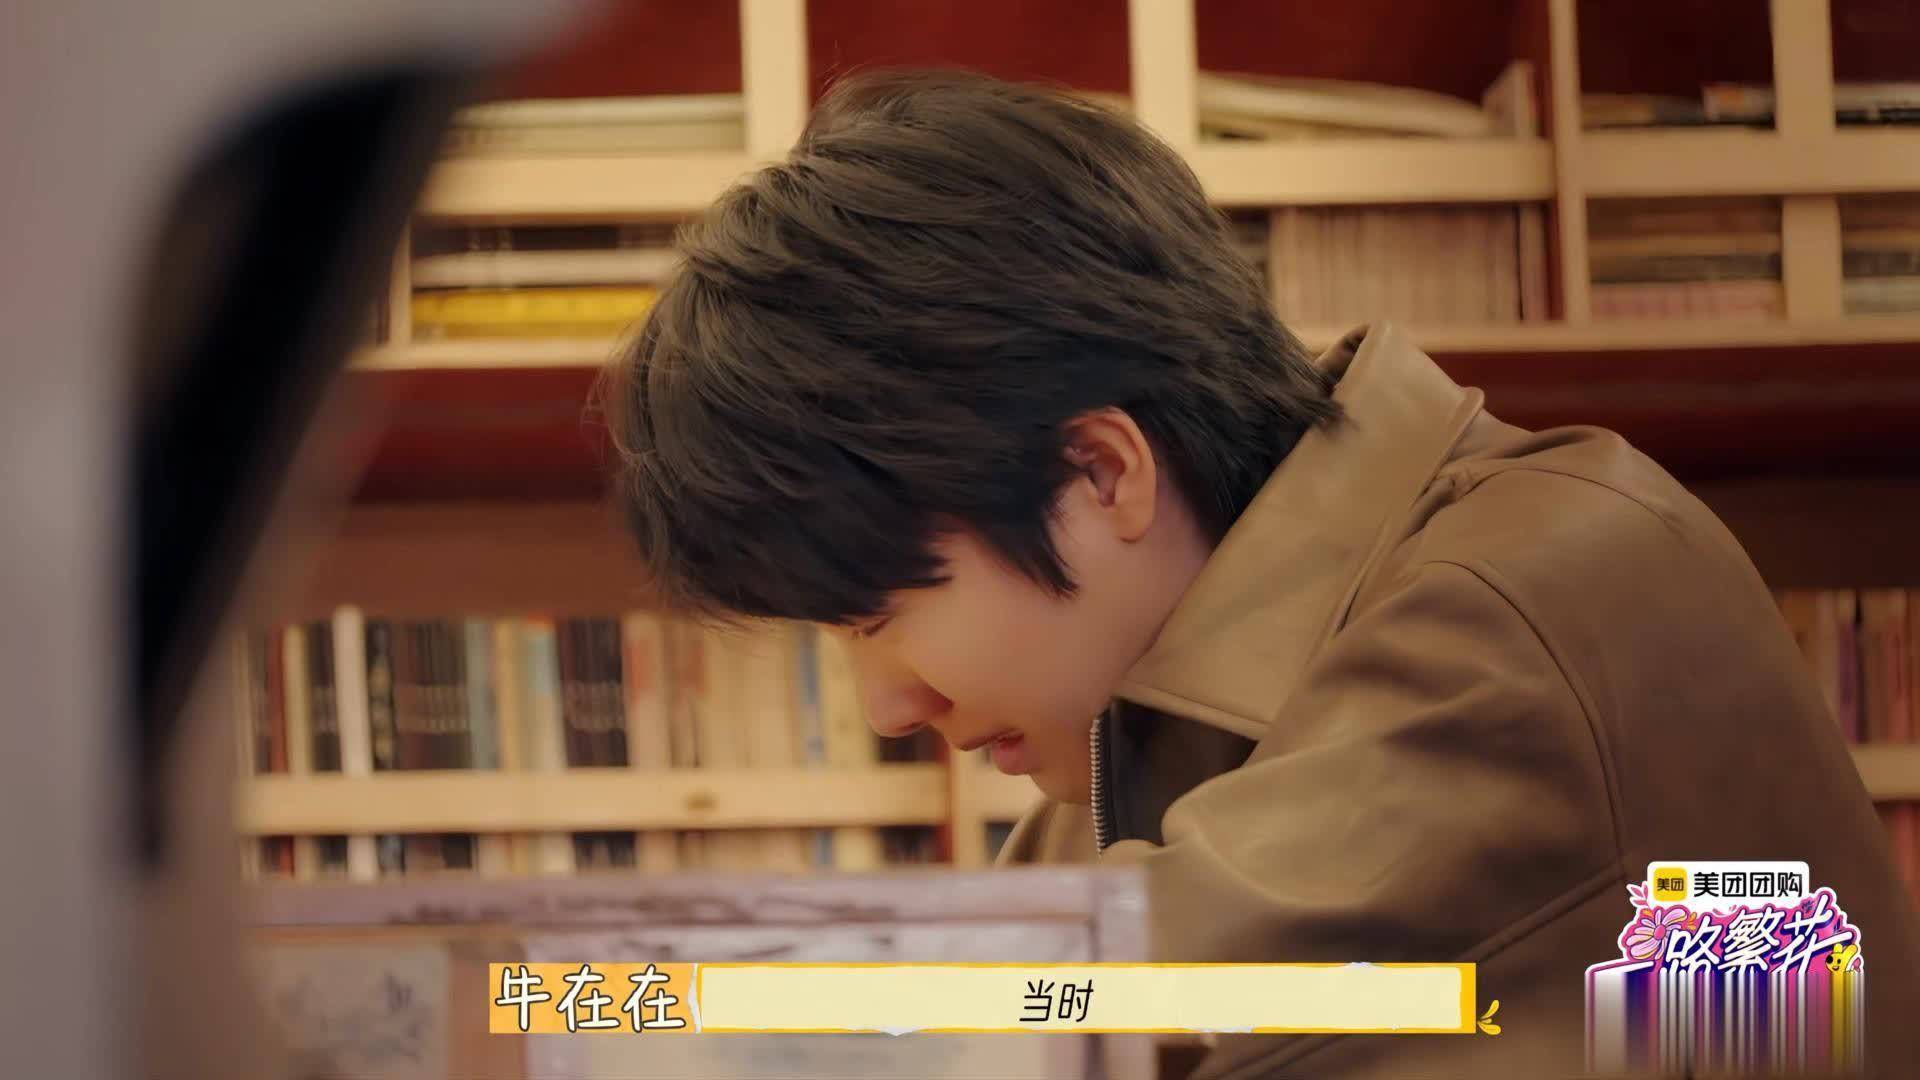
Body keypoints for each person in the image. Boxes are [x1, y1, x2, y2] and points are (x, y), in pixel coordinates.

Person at [600, 69, 1920, 1077]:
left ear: (1100, 471)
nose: (890, 706)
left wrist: (568, 1000)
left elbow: (1063, 1009)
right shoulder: (1124, 726)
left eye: (882, 613)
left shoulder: (1538, 590)